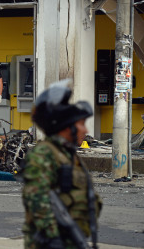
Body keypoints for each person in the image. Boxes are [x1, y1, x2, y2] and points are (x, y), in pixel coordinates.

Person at [22, 80, 102, 249]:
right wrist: (53, 239)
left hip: (72, 239)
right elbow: (37, 200)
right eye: (80, 124)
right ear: (66, 128)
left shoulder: (68, 155)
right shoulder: (45, 154)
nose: (85, 131)